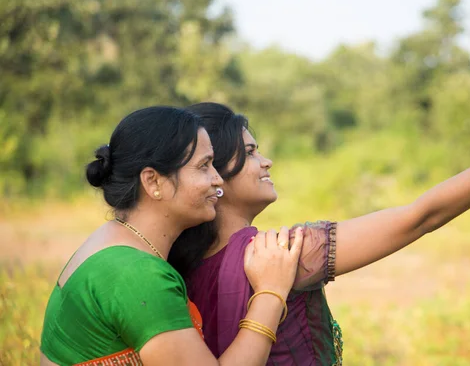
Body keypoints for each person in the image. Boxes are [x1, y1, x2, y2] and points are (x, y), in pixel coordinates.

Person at [169, 67, 470, 365]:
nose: (267, 161)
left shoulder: (177, 265)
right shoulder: (280, 254)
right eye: (253, 152)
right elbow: (421, 217)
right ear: (214, 171)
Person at [40, 106, 304, 366]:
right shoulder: (137, 275)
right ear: (153, 181)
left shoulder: (111, 240)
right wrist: (271, 291)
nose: (218, 179)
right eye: (204, 166)